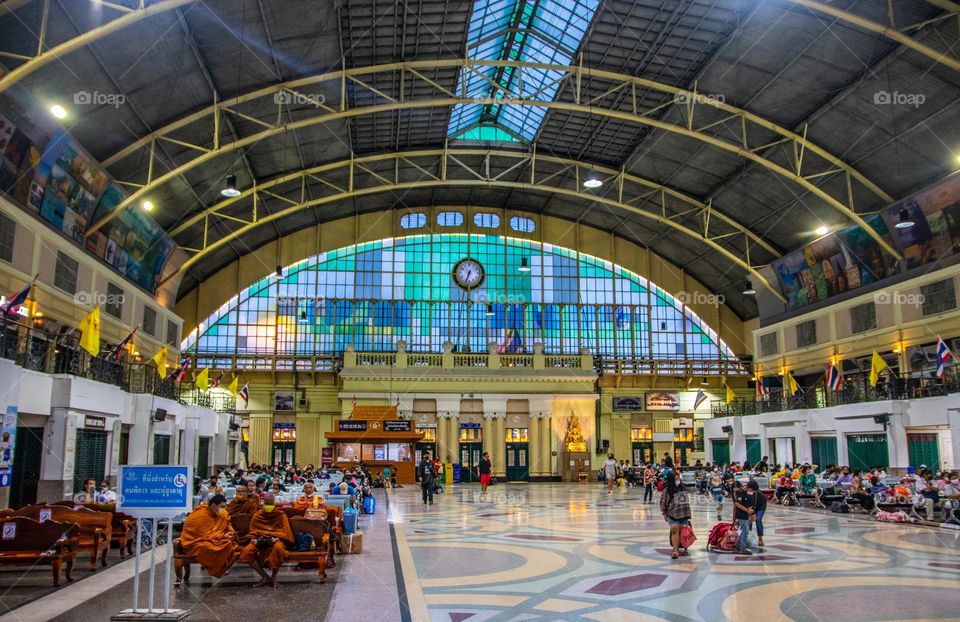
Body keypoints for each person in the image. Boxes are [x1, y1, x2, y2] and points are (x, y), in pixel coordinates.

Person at [178, 494, 238, 584]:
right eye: (222, 507)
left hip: (211, 539)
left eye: (225, 507)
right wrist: (222, 536)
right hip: (194, 543)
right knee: (209, 547)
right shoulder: (200, 515)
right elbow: (203, 535)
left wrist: (228, 533)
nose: (224, 510)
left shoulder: (219, 513)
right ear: (214, 505)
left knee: (228, 543)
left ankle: (222, 567)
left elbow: (226, 524)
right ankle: (217, 568)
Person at [240, 493, 294, 588]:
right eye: (267, 504)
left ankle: (273, 577)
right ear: (263, 503)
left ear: (274, 503)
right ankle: (264, 576)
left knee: (278, 549)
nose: (268, 507)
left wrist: (278, 538)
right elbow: (252, 531)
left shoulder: (280, 514)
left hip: (276, 540)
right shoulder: (258, 515)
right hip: (259, 540)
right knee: (246, 552)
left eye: (270, 504)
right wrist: (253, 539)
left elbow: (286, 532)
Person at [659, 469, 691, 559]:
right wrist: (665, 514)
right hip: (673, 513)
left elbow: (686, 501)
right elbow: (662, 503)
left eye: (678, 478)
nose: (678, 481)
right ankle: (675, 550)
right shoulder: (667, 490)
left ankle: (684, 547)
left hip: (684, 513)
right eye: (676, 479)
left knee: (682, 531)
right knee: (675, 530)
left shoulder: (683, 487)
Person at [733, 481, 759, 555]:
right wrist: (747, 510)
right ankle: (742, 549)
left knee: (744, 530)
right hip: (741, 515)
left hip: (745, 515)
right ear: (749, 488)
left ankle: (737, 545)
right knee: (746, 531)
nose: (752, 492)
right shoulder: (741, 492)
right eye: (752, 490)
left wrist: (750, 511)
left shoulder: (746, 493)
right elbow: (737, 504)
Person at [748, 480, 767, 548]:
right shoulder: (747, 492)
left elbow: (754, 504)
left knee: (758, 519)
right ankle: (748, 537)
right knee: (749, 520)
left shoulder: (758, 494)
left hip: (761, 507)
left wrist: (752, 513)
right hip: (751, 507)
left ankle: (760, 538)